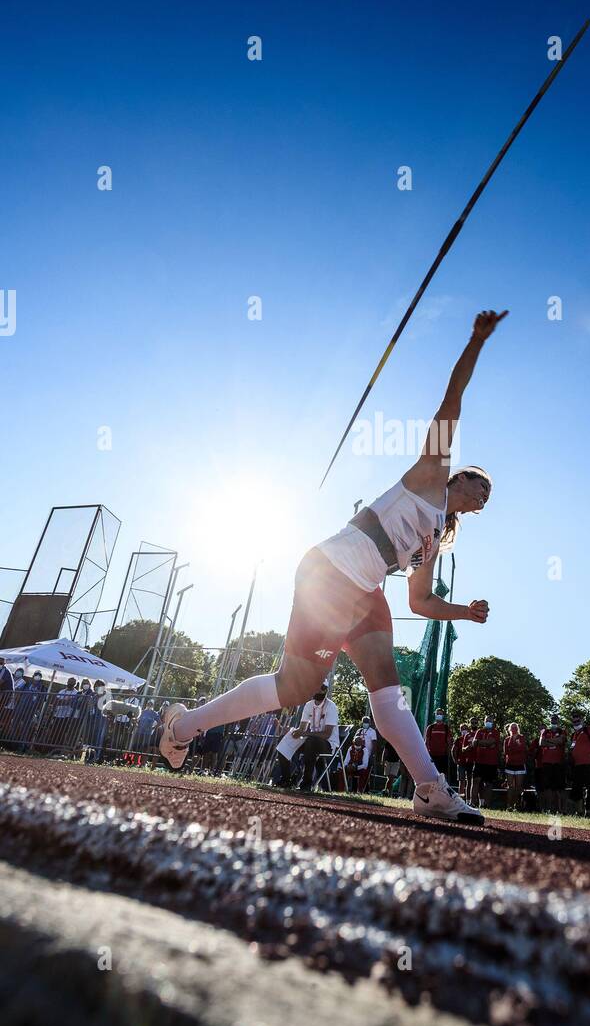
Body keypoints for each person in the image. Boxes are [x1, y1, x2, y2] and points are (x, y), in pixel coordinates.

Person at [161, 309, 508, 824]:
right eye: (479, 485)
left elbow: (419, 601)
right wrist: (476, 341)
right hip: (330, 574)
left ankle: (429, 788)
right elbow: (450, 404)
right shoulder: (428, 474)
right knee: (294, 689)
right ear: (458, 478)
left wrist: (465, 612)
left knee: (388, 689)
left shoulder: (435, 537)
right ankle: (185, 725)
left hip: (365, 592)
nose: (483, 495)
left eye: (487, 498)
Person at [568, 709, 590, 816]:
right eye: (574, 722)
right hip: (577, 766)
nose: (576, 723)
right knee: (577, 789)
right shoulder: (574, 735)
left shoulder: (588, 730)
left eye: (578, 721)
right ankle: (579, 813)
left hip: (589, 765)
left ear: (582, 720)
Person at [532, 715, 567, 814]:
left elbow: (561, 740)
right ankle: (550, 809)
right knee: (547, 787)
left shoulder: (562, 731)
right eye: (552, 719)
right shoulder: (545, 731)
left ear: (558, 721)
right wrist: (554, 743)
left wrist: (548, 741)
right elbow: (541, 743)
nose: (553, 721)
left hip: (559, 763)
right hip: (546, 763)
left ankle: (561, 809)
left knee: (560, 788)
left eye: (555, 719)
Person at [469, 717, 500, 809]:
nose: (488, 722)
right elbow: (474, 743)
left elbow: (492, 742)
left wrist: (480, 742)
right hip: (479, 761)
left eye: (490, 720)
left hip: (491, 762)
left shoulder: (496, 732)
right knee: (475, 781)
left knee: (488, 784)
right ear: (484, 721)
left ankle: (486, 805)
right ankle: (472, 803)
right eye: (487, 720)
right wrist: (485, 743)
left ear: (493, 722)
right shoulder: (479, 731)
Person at [503, 721, 528, 811]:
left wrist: (513, 749)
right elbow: (506, 752)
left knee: (518, 786)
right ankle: (509, 805)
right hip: (509, 764)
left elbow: (523, 749)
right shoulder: (507, 739)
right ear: (509, 729)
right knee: (510, 787)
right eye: (512, 728)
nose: (514, 729)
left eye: (515, 728)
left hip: (520, 764)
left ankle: (517, 806)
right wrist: (516, 748)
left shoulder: (522, 738)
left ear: (518, 729)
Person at [451, 724, 474, 802]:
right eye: (462, 729)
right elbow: (453, 750)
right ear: (460, 730)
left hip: (470, 763)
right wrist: (455, 760)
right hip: (461, 763)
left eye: (465, 728)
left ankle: (468, 800)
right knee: (461, 781)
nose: (464, 730)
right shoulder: (458, 739)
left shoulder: (471, 738)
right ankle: (460, 799)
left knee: (470, 781)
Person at [424, 710, 450, 776]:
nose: (439, 715)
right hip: (432, 756)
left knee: (442, 776)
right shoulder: (430, 727)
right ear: (435, 715)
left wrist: (447, 754)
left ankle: (442, 786)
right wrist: (427, 755)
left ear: (443, 716)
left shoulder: (446, 728)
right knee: (431, 775)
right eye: (437, 714)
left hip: (443, 756)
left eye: (440, 714)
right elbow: (426, 742)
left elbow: (449, 742)